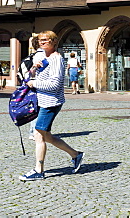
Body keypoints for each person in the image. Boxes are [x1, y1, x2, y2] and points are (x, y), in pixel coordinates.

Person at [18, 31, 84, 181]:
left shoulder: (56, 59)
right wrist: (34, 69)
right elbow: (31, 75)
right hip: (41, 101)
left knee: (38, 135)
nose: (42, 42)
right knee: (46, 136)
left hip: (51, 102)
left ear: (54, 42)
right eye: (41, 40)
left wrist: (34, 83)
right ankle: (76, 154)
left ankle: (38, 170)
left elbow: (55, 84)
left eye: (46, 40)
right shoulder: (43, 57)